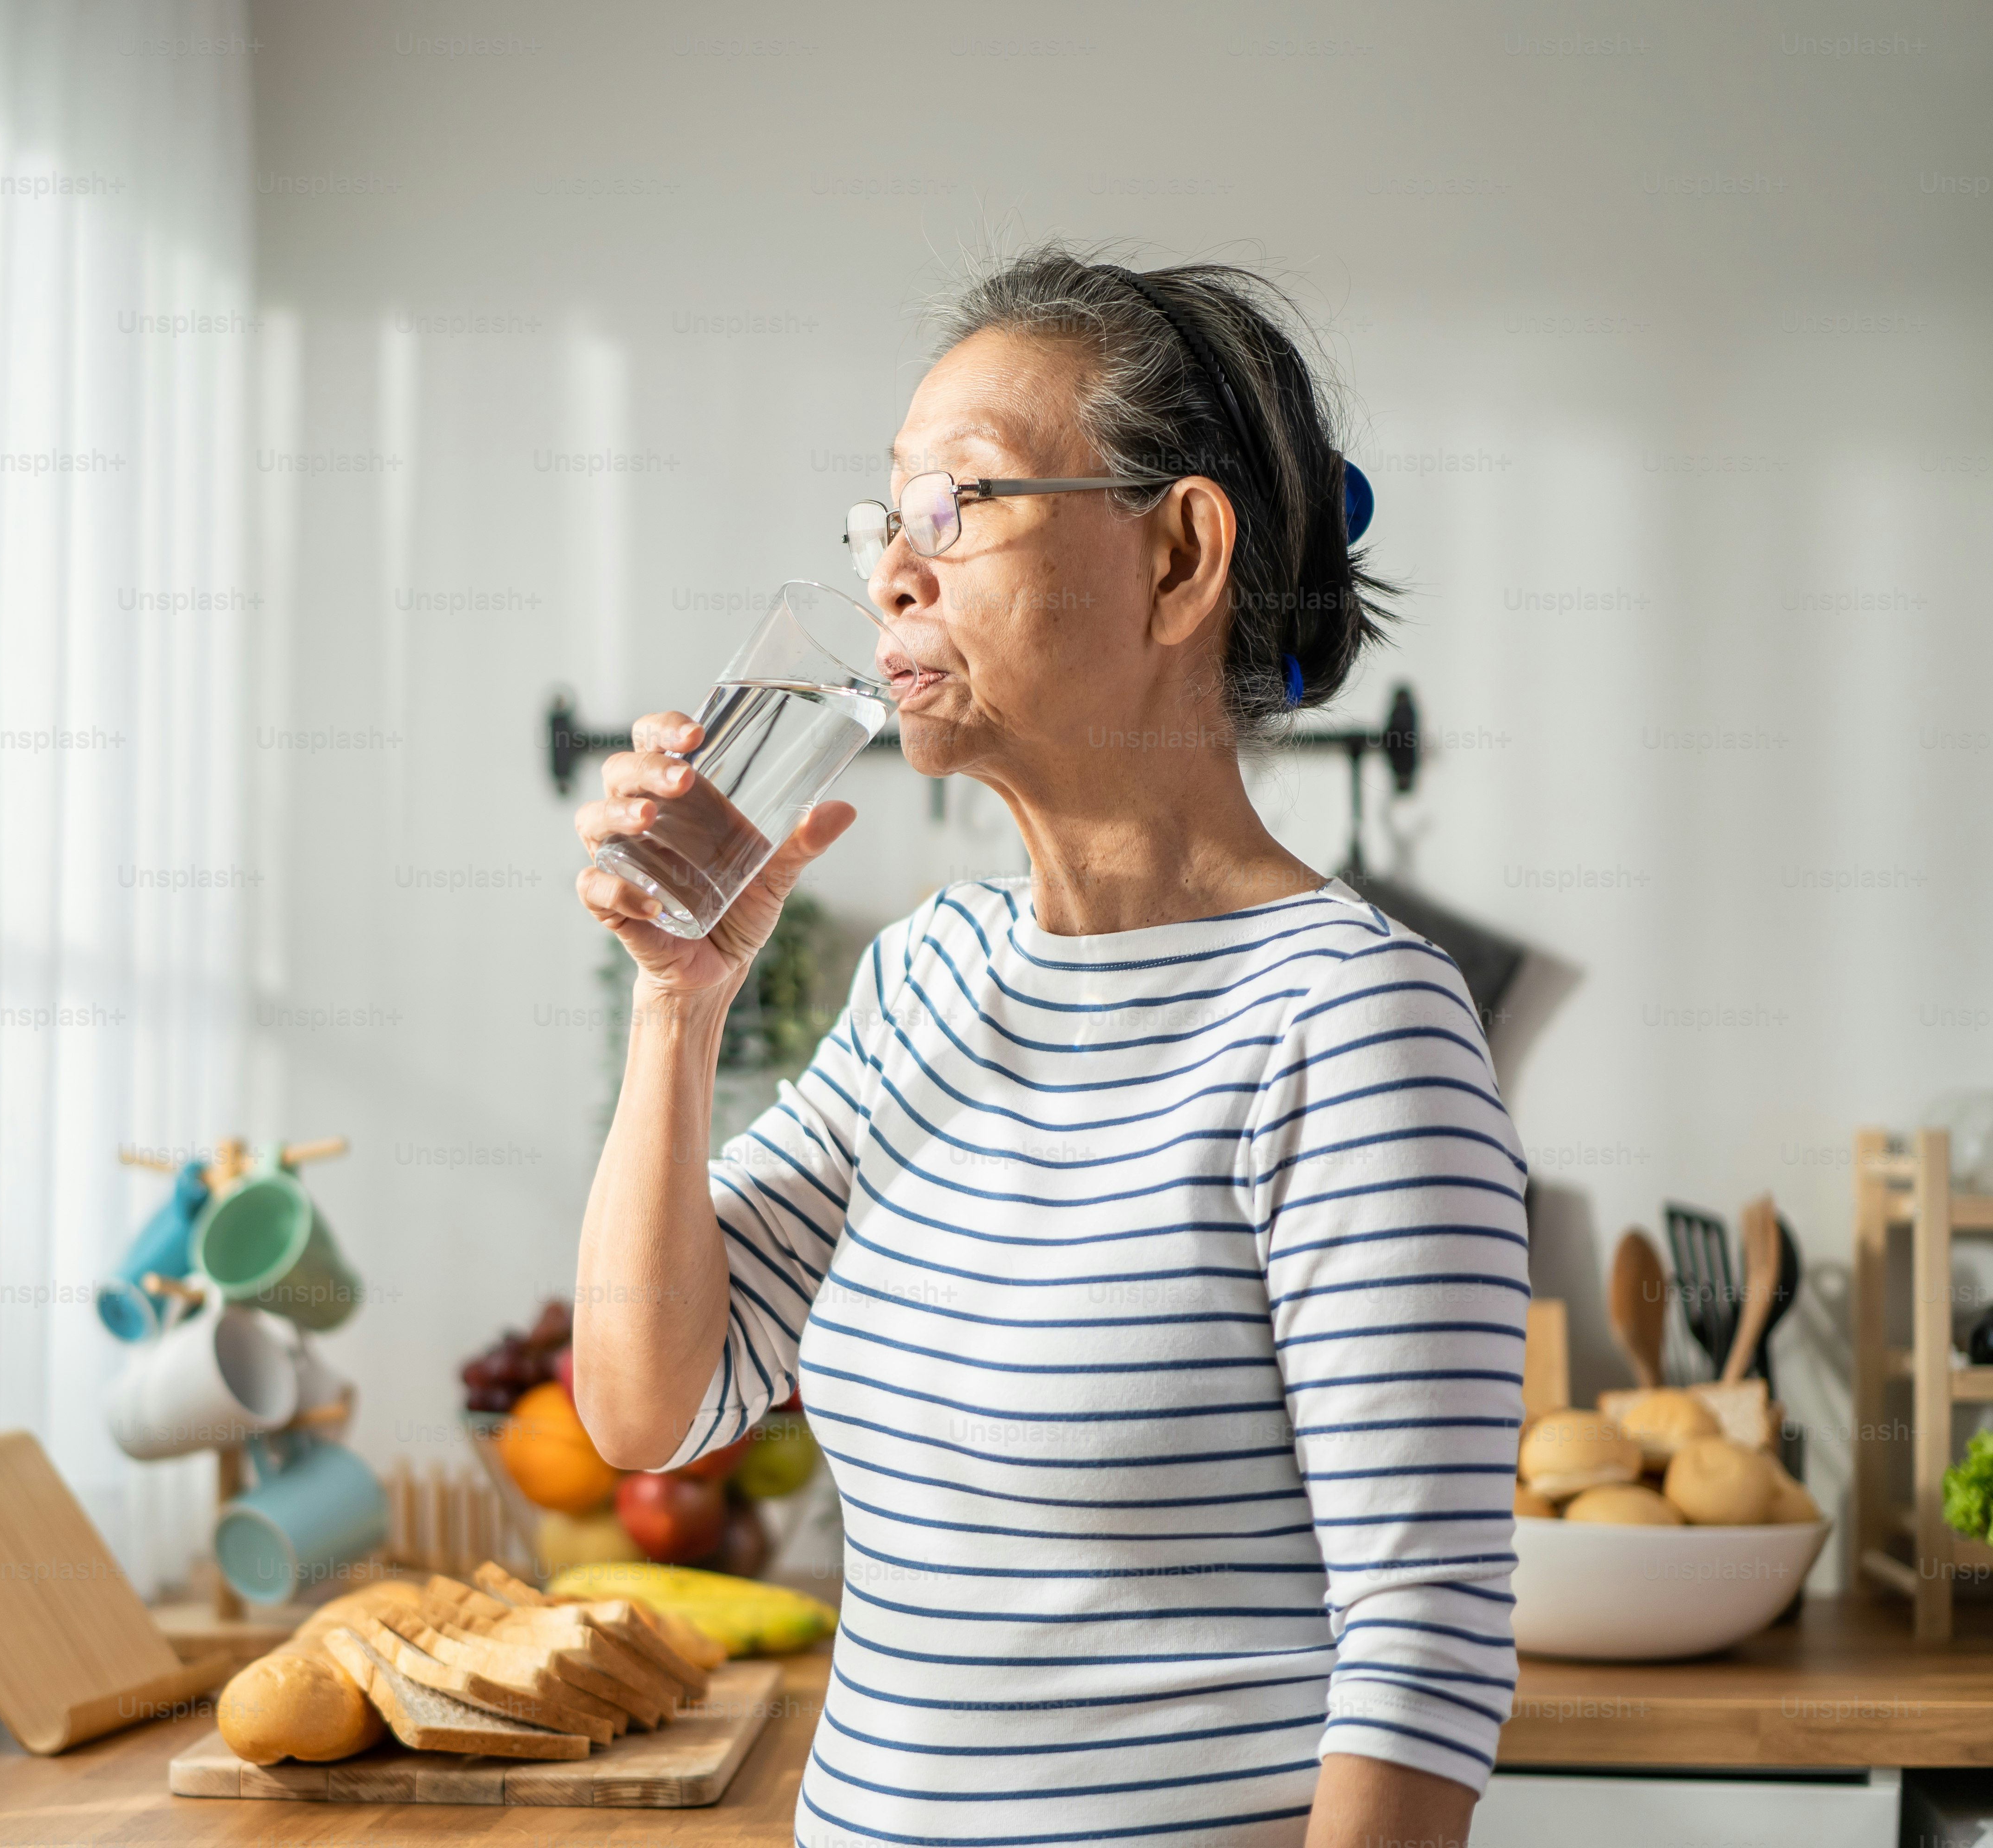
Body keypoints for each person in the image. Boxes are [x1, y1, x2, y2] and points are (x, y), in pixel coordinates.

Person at [571, 244, 1527, 1848]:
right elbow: (649, 1407)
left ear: (1180, 556)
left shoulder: (1352, 1026)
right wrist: (678, 1003)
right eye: (886, 518)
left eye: (958, 504)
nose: (892, 572)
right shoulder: (923, 982)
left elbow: (1422, 1656)